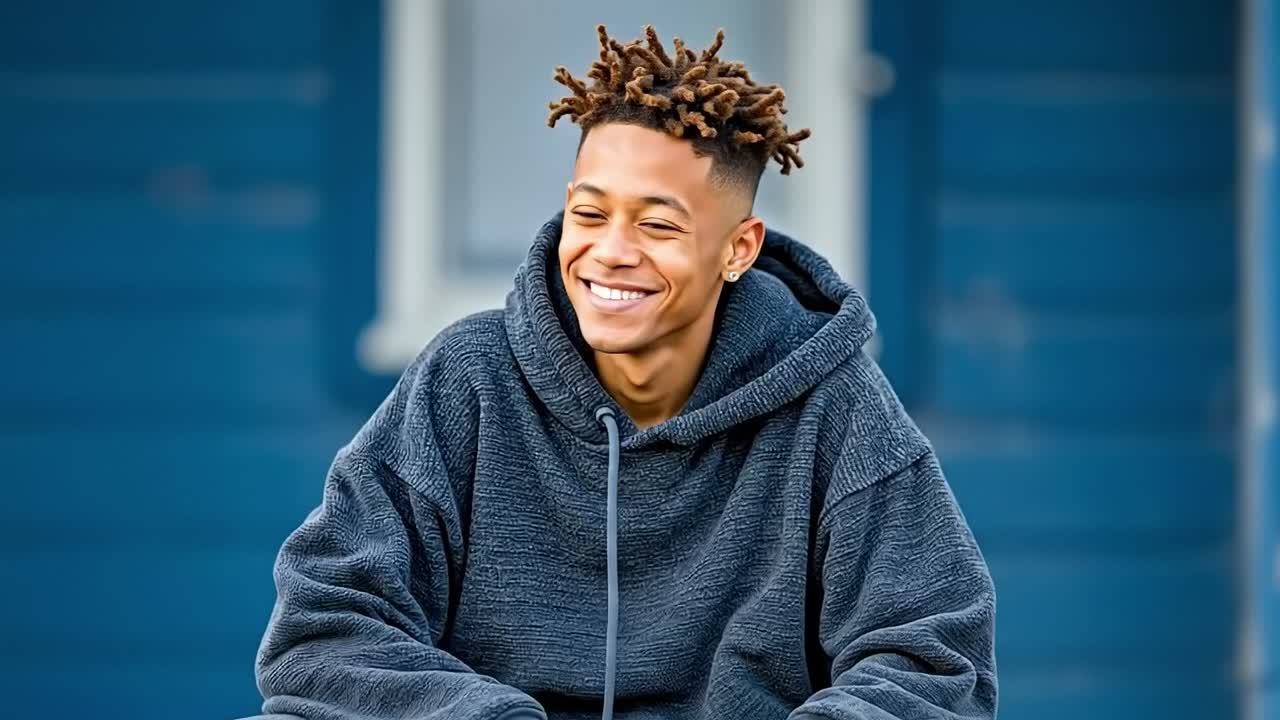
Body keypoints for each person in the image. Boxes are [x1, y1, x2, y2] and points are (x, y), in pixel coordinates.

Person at [254, 24, 997, 720]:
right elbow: (327, 626)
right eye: (589, 213)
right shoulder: (466, 380)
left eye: (659, 224)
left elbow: (932, 659)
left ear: (737, 249)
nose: (611, 250)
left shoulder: (833, 406)